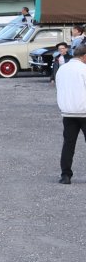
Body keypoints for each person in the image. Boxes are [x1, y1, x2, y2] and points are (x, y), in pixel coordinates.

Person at [57, 39, 86, 184]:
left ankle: (65, 175)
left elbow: (59, 88)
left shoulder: (62, 69)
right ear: (84, 56)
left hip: (68, 111)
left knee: (68, 144)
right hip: (84, 111)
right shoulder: (84, 69)